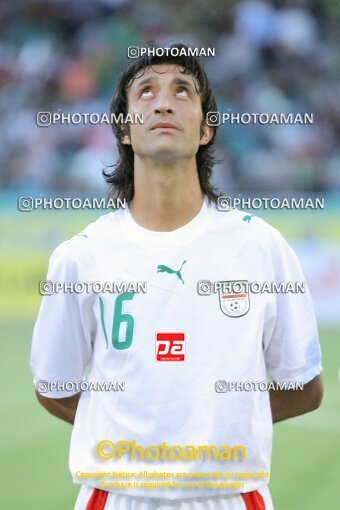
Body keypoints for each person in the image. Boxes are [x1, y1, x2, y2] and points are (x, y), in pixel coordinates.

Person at [30, 43, 323, 510]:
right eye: (145, 92)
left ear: (207, 130)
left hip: (231, 495)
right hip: (117, 495)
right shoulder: (81, 257)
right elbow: (54, 386)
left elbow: (304, 387)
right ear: (125, 130)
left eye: (182, 90)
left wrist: (212, 427)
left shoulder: (261, 248)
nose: (163, 102)